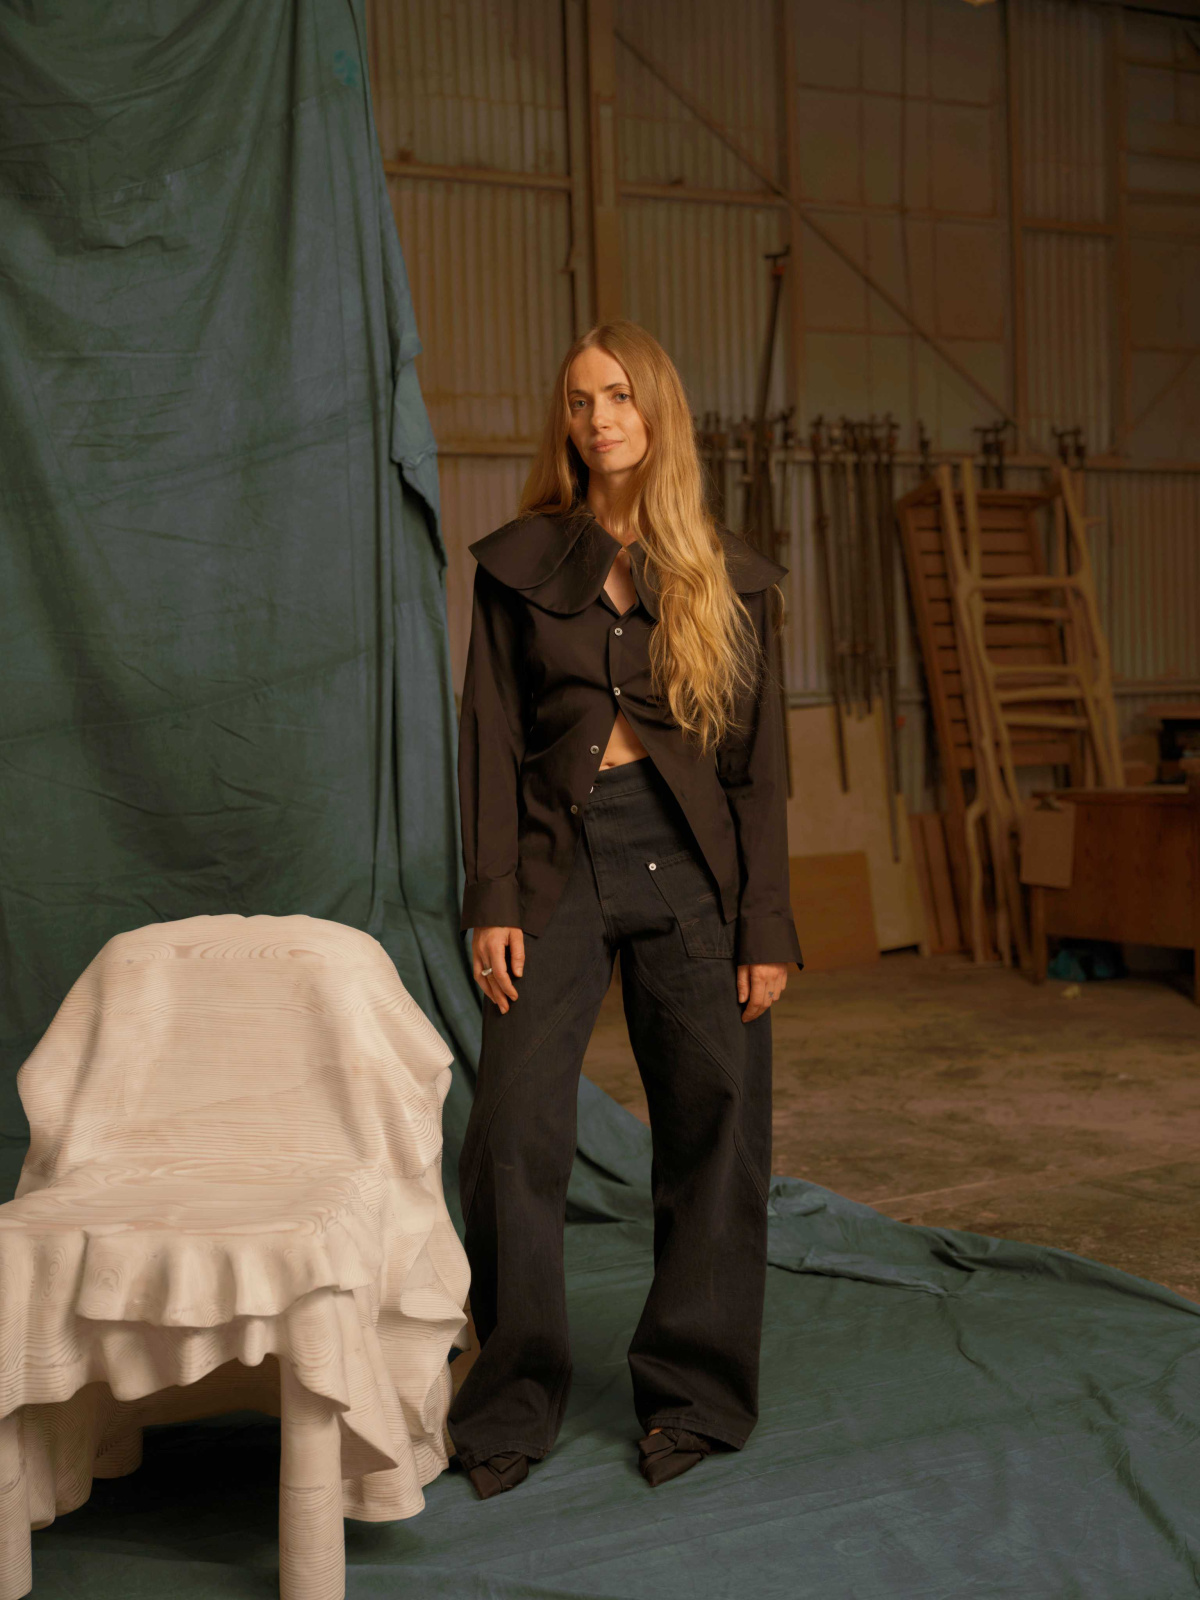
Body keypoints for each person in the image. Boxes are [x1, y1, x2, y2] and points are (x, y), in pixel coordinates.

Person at [449, 319, 802, 1498]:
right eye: (579, 399)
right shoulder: (519, 565)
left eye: (618, 396)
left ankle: (694, 1394)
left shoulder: (729, 575)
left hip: (691, 868)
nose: (598, 418)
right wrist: (492, 898)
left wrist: (763, 928)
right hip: (554, 861)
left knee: (715, 1126)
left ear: (658, 411)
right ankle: (511, 1398)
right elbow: (490, 737)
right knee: (512, 1131)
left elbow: (757, 769)